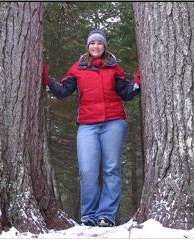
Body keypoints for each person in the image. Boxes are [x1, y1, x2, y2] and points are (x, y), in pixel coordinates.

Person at [42, 29, 141, 227]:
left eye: (99, 43)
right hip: (87, 125)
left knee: (111, 169)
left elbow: (126, 93)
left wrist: (138, 80)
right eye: (92, 43)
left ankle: (106, 215)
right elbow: (63, 91)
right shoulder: (78, 67)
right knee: (88, 170)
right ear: (88, 46)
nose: (96, 46)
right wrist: (47, 79)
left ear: (104, 46)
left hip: (113, 122)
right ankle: (89, 214)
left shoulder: (113, 67)